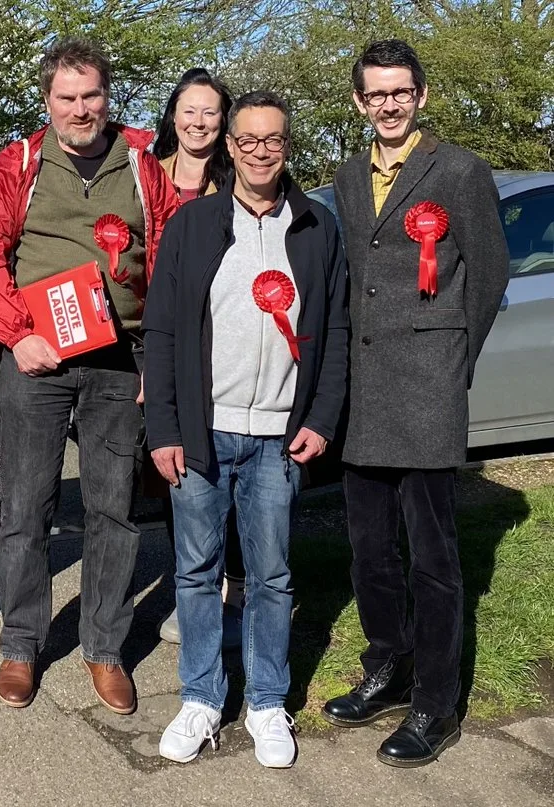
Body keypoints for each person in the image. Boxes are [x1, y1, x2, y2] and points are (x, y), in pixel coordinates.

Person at [0, 37, 178, 714]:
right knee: (27, 506)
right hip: (38, 362)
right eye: (67, 97)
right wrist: (16, 336)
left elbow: (171, 261)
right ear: (47, 101)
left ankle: (104, 648)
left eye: (91, 96)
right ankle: (22, 644)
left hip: (122, 363)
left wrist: (162, 362)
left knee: (114, 508)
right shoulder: (18, 163)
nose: (81, 109)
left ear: (107, 97)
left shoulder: (144, 165)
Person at [143, 91, 348, 766]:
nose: (261, 150)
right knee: (197, 573)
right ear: (229, 147)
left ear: (288, 145)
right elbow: (165, 331)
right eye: (248, 139)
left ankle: (266, 702)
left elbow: (337, 330)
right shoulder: (194, 224)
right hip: (203, 434)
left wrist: (321, 419)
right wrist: (164, 428)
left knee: (272, 576)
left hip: (277, 442)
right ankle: (201, 697)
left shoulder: (317, 226)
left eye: (274, 139)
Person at [321, 39, 509, 768]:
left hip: (427, 390)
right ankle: (387, 665)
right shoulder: (344, 175)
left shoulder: (459, 171)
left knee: (433, 557)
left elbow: (488, 278)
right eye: (376, 94)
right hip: (364, 395)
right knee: (369, 549)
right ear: (360, 102)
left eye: (401, 92)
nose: (389, 104)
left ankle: (437, 700)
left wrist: (449, 363)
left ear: (422, 96)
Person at [151, 68, 244, 648]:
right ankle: (191, 588)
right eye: (189, 110)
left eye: (211, 112)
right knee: (170, 470)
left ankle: (233, 587)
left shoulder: (239, 185)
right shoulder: (142, 176)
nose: (199, 122)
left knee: (220, 466)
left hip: (216, 346)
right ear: (173, 116)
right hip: (146, 339)